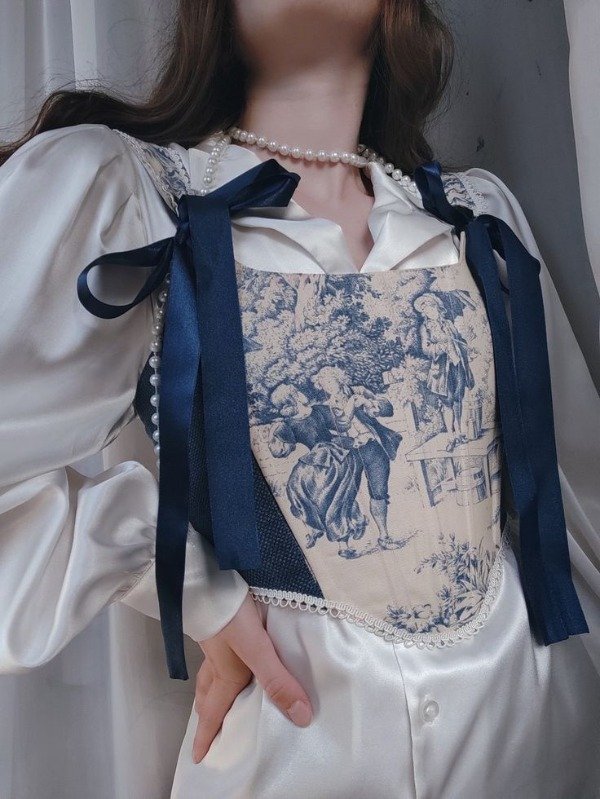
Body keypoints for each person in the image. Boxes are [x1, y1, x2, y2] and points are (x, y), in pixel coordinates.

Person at [1, 1, 599, 797]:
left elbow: (580, 507)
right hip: (294, 757)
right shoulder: (132, 199)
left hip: (540, 744)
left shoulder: (476, 221)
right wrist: (180, 578)